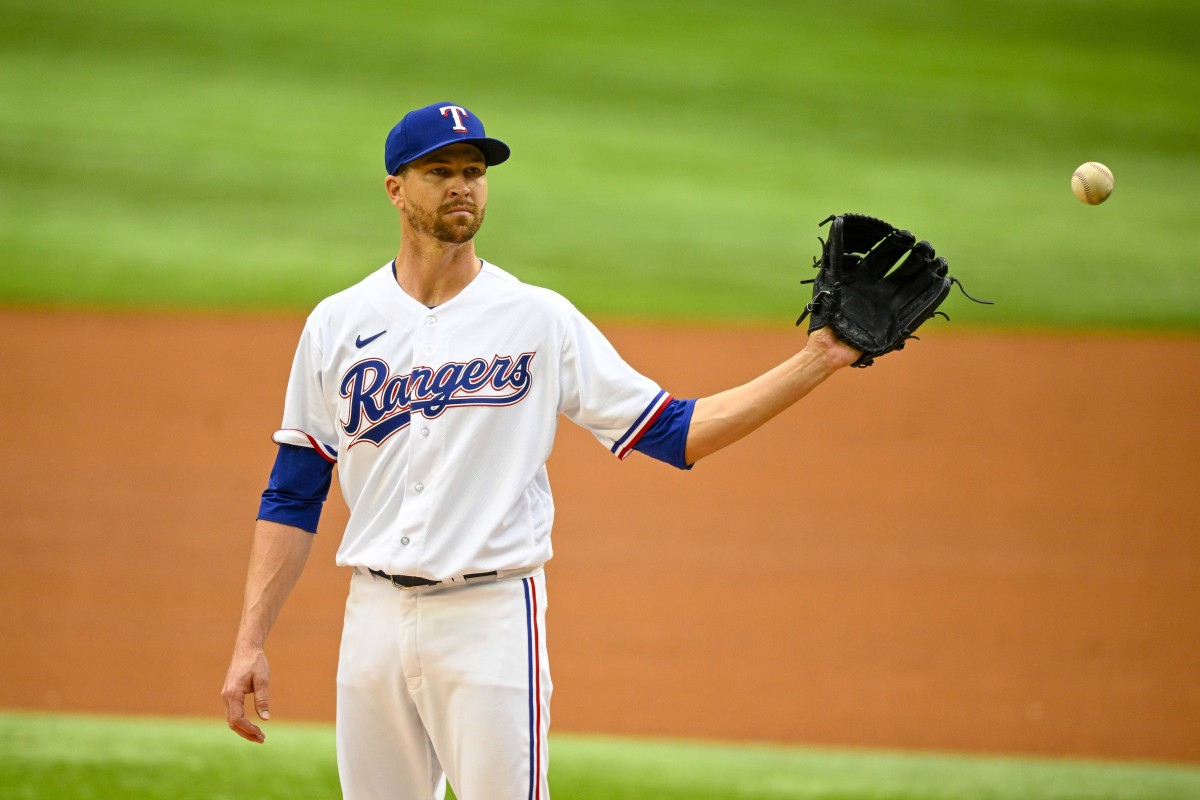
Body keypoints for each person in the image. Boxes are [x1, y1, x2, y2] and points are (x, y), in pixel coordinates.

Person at [221, 101, 860, 800]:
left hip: (489, 619)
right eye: (440, 171)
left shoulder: (538, 318)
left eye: (475, 171)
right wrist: (251, 639)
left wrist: (817, 360)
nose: (463, 185)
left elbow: (676, 432)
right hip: (371, 619)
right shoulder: (337, 324)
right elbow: (293, 489)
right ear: (395, 189)